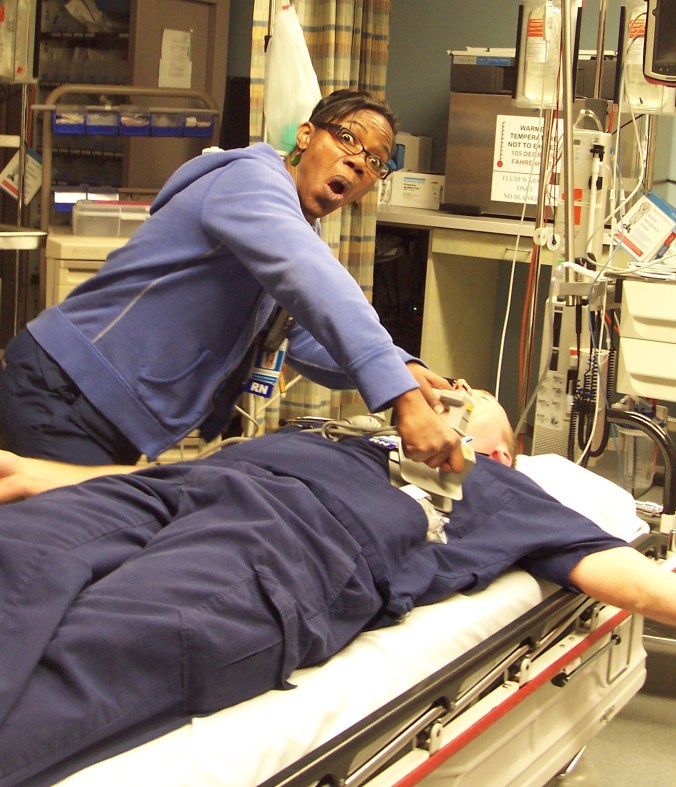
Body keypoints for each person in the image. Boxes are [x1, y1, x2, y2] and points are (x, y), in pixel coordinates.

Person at [0, 394, 674, 785]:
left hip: (299, 534)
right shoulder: (334, 433)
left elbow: (638, 585)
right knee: (17, 550)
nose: (454, 387)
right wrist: (39, 476)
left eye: (470, 396)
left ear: (500, 450)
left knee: (115, 643)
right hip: (182, 486)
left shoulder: (501, 489)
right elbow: (174, 474)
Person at [0, 89, 462, 472]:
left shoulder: (298, 227)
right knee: (62, 544)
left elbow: (301, 336)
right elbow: (313, 280)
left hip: (103, 410)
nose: (360, 163)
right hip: (65, 390)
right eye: (347, 139)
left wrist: (404, 368)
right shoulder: (250, 181)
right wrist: (401, 396)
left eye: (376, 162)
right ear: (305, 136)